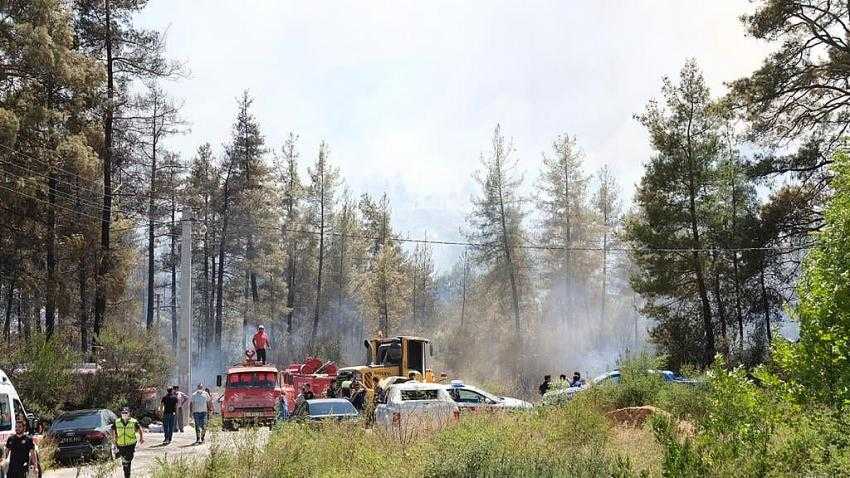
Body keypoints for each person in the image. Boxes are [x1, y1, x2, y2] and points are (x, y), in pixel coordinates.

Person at [112, 407, 144, 478]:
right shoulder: (117, 422)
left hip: (131, 444)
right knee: (125, 462)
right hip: (120, 444)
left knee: (128, 459)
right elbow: (113, 429)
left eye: (126, 413)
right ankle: (126, 474)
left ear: (129, 413)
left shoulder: (133, 421)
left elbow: (139, 429)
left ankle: (126, 472)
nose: (124, 414)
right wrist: (114, 439)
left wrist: (141, 438)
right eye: (123, 413)